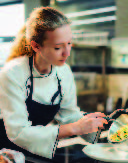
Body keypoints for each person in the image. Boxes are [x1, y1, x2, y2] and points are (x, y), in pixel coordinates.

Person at [0, 6, 108, 162]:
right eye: (58, 47)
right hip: (5, 151)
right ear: (36, 46)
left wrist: (97, 125)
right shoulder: (12, 73)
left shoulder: (63, 72)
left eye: (69, 43)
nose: (67, 53)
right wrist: (75, 128)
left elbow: (69, 115)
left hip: (31, 148)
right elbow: (18, 133)